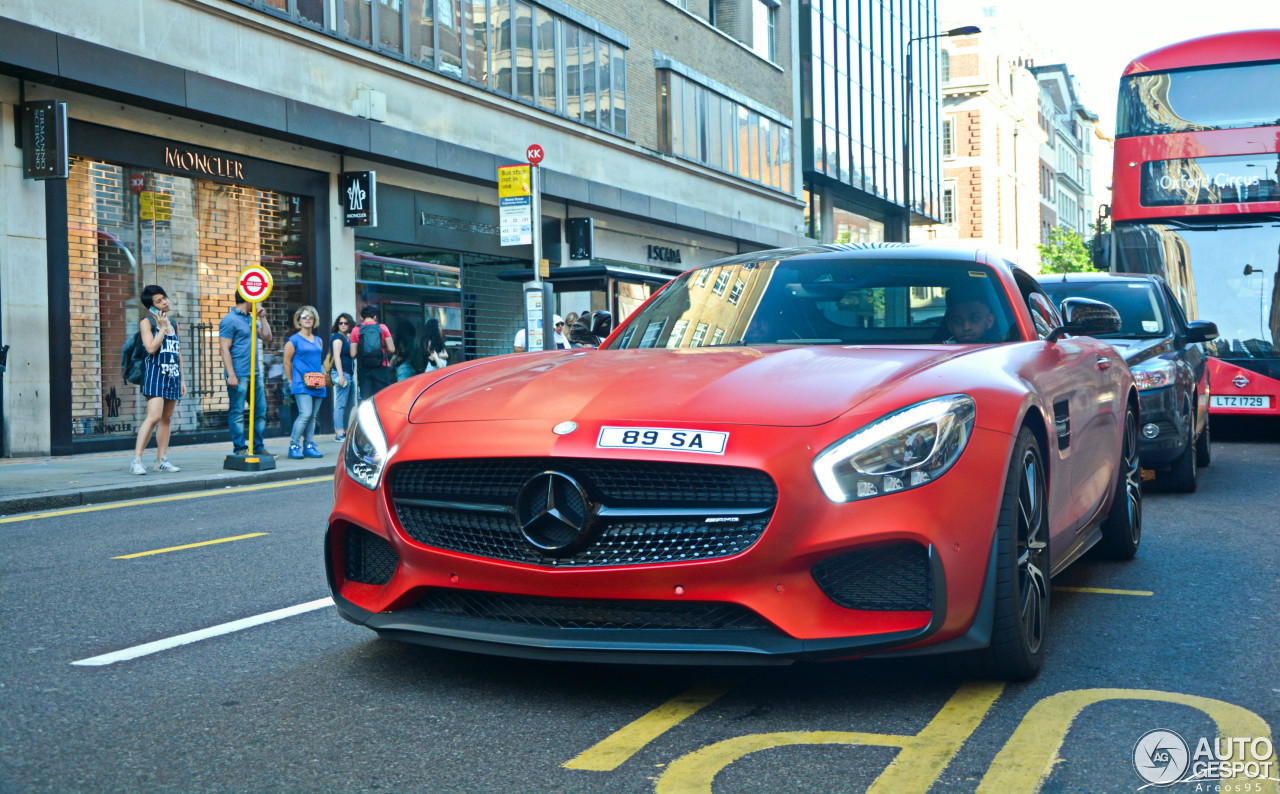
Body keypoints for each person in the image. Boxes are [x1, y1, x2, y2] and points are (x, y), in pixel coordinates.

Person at [130, 285, 185, 475]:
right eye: (158, 301)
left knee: (166, 419)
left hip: (172, 376)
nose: (165, 302)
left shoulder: (175, 323)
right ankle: (136, 460)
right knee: (153, 416)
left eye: (165, 298)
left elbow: (178, 354)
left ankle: (162, 460)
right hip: (154, 375)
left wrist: (182, 381)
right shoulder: (147, 322)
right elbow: (151, 348)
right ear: (151, 306)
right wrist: (161, 329)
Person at [218, 292, 273, 456]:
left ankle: (258, 447)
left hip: (254, 374)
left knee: (260, 411)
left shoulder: (251, 319)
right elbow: (224, 349)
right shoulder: (229, 320)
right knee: (237, 412)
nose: (260, 301)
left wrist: (262, 318)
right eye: (257, 298)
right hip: (239, 374)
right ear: (247, 298)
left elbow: (267, 337)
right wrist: (231, 375)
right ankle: (240, 448)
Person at [282, 305, 326, 459]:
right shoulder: (293, 340)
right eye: (304, 317)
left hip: (318, 382)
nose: (308, 319)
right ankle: (294, 445)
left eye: (310, 317)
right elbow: (287, 362)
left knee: (313, 416)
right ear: (298, 321)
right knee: (305, 414)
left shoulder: (318, 340)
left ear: (314, 320)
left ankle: (309, 445)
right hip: (301, 382)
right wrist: (290, 380)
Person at [350, 305, 394, 399]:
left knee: (367, 399)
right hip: (381, 366)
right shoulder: (382, 327)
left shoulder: (356, 330)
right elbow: (392, 349)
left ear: (362, 317)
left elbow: (353, 354)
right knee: (382, 397)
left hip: (364, 369)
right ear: (375, 317)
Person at [330, 313, 356, 442]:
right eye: (341, 323)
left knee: (350, 403)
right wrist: (340, 375)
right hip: (342, 373)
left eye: (346, 323)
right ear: (337, 325)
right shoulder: (337, 338)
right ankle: (339, 433)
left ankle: (345, 431)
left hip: (348, 374)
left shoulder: (347, 338)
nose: (343, 325)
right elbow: (336, 356)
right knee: (341, 403)